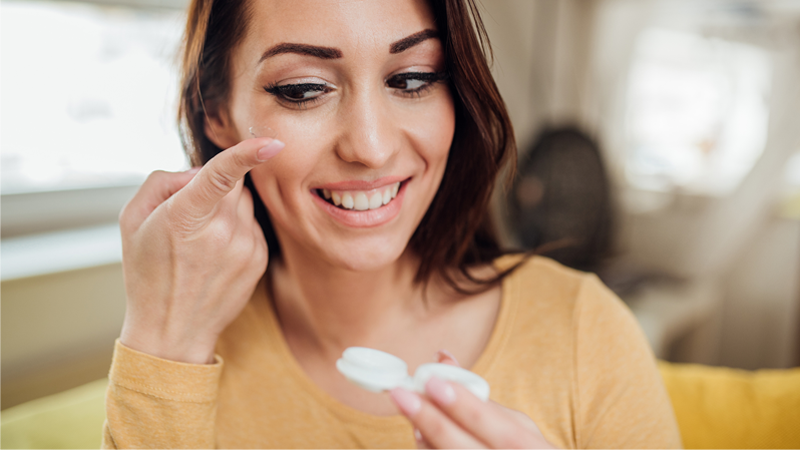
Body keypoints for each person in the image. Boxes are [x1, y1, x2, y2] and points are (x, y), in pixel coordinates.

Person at [103, 0, 682, 448]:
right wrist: (161, 345)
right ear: (217, 113)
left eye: (412, 79)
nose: (371, 147)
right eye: (305, 89)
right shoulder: (180, 351)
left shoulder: (583, 328)